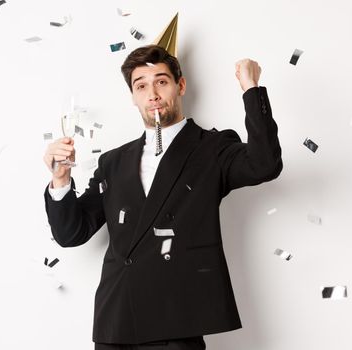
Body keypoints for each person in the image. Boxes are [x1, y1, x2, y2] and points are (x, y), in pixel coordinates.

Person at [43, 45, 283, 349]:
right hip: (115, 323)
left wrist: (251, 89)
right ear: (133, 97)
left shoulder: (212, 147)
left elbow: (265, 164)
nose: (152, 94)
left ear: (180, 86)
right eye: (141, 85)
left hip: (175, 321)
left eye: (161, 81)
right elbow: (70, 234)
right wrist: (61, 179)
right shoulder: (113, 163)